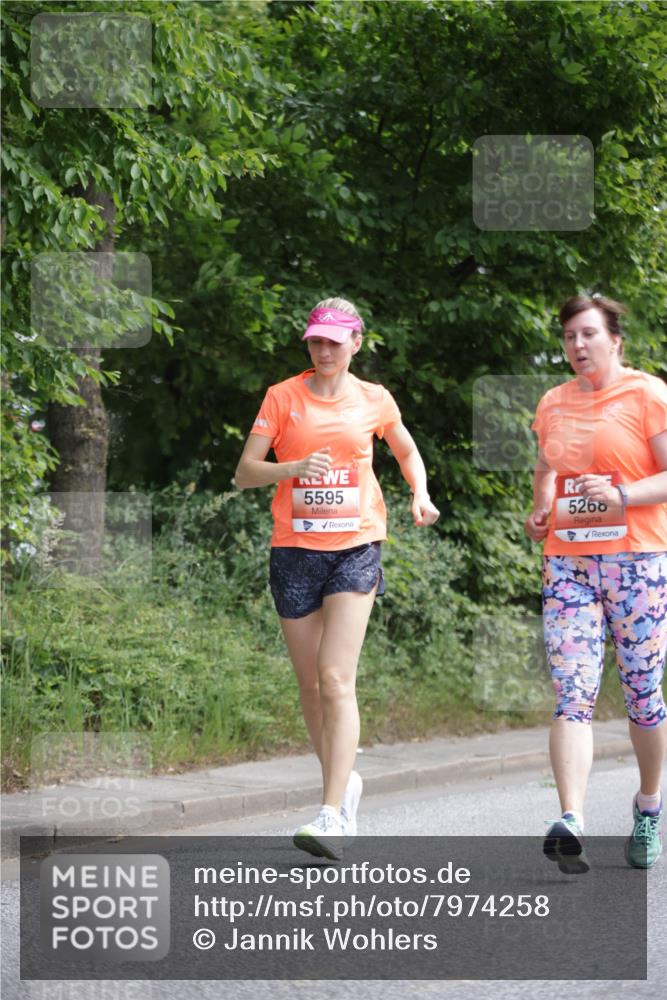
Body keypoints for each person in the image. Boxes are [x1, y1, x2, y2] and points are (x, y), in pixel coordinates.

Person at [235, 297, 440, 859]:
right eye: (315, 341)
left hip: (355, 545)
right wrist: (293, 469)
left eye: (334, 341)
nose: (323, 350)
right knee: (309, 685)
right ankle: (343, 783)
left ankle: (331, 815)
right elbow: (244, 473)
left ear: (356, 342)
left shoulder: (374, 399)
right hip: (295, 551)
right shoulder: (282, 397)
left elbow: (406, 449)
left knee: (334, 677)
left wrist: (420, 494)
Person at [525, 293, 667, 873]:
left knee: (642, 695)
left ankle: (649, 807)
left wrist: (623, 496)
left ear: (614, 340)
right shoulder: (553, 403)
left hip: (637, 561)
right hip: (569, 564)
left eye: (587, 334)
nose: (577, 346)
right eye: (568, 337)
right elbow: (546, 468)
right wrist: (540, 510)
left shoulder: (647, 394)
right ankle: (572, 818)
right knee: (573, 690)